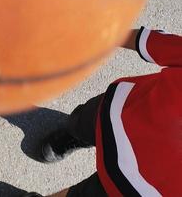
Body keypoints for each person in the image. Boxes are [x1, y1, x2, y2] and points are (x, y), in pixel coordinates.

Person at [26, 26, 182, 196]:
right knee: (82, 122)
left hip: (131, 189)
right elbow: (156, 43)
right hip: (117, 112)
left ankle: (76, 134)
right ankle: (75, 135)